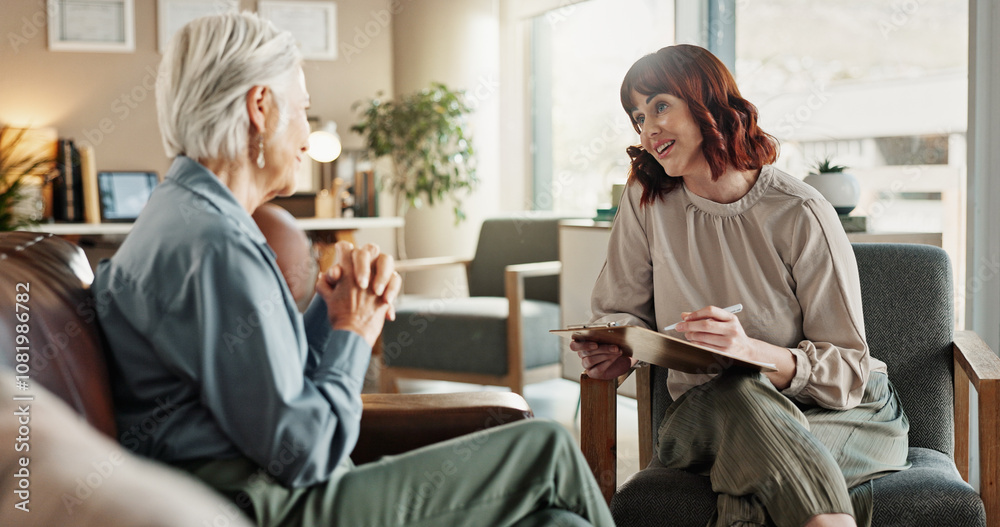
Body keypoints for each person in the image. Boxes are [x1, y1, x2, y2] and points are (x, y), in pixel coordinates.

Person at [93, 12, 613, 527]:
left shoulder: (184, 215)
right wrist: (353, 330)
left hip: (257, 485)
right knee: (546, 447)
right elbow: (303, 451)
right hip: (267, 503)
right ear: (260, 107)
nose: (306, 132)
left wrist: (330, 310)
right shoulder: (214, 243)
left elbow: (262, 380)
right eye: (302, 109)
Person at [572, 45, 909, 527]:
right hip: (707, 413)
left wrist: (749, 350)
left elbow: (850, 372)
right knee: (740, 392)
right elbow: (619, 311)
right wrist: (619, 347)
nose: (648, 129)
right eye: (637, 117)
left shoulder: (799, 211)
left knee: (756, 484)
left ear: (706, 101)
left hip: (846, 412)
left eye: (660, 105)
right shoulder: (646, 203)